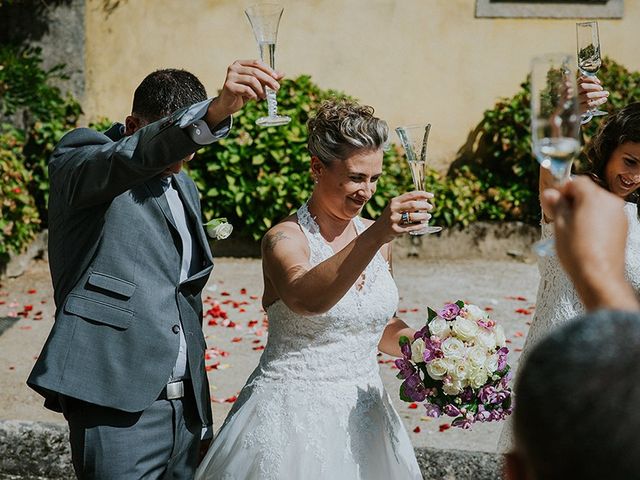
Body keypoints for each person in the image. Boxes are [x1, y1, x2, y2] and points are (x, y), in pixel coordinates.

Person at [26, 60, 283, 479]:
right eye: (177, 146)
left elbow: (181, 296)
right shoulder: (82, 161)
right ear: (133, 124)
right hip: (113, 405)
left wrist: (198, 411)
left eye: (191, 151)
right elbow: (136, 155)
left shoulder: (183, 186)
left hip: (186, 412)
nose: (181, 163)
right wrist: (213, 114)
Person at [196, 99, 429, 480]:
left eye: (374, 179)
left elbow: (375, 325)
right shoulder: (284, 239)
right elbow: (306, 299)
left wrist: (429, 350)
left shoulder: (378, 239)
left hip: (366, 416)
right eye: (356, 177)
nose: (367, 192)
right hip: (292, 421)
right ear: (317, 168)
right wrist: (375, 235)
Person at [504, 176, 640, 480]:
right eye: (630, 161)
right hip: (571, 357)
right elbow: (552, 182)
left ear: (510, 472)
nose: (635, 175)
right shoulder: (580, 203)